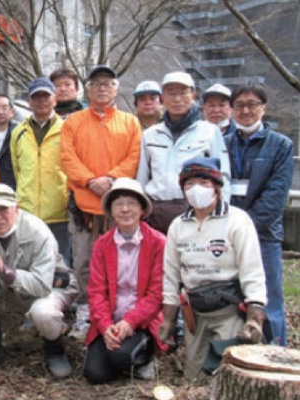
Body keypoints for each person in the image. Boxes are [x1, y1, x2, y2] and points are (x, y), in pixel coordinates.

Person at [159, 157, 267, 380]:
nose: (196, 189)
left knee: (228, 372)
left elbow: (252, 271)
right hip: (195, 311)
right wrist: (168, 320)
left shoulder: (237, 221)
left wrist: (255, 317)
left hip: (228, 308)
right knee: (194, 376)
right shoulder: (178, 226)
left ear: (217, 187)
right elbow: (171, 275)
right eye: (189, 185)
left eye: (203, 183)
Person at [0, 183, 79, 378]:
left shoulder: (38, 231)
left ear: (16, 209)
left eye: (3, 209)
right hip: (9, 288)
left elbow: (41, 285)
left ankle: (55, 351)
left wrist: (5, 271)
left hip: (53, 286)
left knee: (43, 312)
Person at [60, 65, 141, 340]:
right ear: (88, 89)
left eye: (108, 84)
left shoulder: (130, 122)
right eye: (96, 84)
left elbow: (133, 157)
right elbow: (67, 157)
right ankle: (85, 312)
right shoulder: (73, 121)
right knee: (83, 261)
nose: (102, 88)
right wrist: (90, 180)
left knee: (120, 262)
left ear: (116, 88)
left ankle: (117, 313)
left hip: (118, 206)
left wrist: (111, 179)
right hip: (84, 205)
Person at [224, 83, 294, 346]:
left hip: (263, 235)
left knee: (268, 299)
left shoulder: (280, 145)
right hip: (228, 234)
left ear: (263, 108)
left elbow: (275, 196)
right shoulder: (223, 143)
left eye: (252, 104)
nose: (246, 111)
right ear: (232, 110)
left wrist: (243, 229)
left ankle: (276, 351)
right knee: (234, 298)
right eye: (239, 105)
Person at [83, 178, 167, 383]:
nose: (125, 209)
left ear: (142, 209)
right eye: (118, 204)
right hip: (111, 320)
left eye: (131, 203)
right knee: (94, 374)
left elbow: (157, 294)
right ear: (111, 211)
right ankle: (124, 358)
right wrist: (105, 326)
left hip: (141, 322)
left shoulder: (158, 243)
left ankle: (146, 354)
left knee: (119, 356)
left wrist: (130, 322)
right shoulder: (102, 244)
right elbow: (96, 292)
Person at [136, 71, 231, 234]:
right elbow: (142, 177)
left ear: (193, 95)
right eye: (171, 94)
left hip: (195, 209)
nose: (177, 99)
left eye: (183, 93)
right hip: (156, 211)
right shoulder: (150, 134)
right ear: (163, 98)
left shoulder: (209, 132)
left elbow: (223, 176)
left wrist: (222, 213)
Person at [10, 77, 69, 258]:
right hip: (28, 212)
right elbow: (16, 169)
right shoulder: (18, 132)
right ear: (29, 102)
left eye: (46, 96)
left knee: (61, 268)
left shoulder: (68, 129)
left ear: (55, 99)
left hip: (60, 211)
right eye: (36, 97)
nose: (41, 101)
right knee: (29, 263)